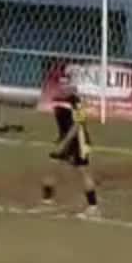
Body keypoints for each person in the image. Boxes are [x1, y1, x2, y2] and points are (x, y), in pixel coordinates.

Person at [42, 79, 100, 218]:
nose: (62, 88)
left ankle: (93, 206)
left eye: (65, 86)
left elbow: (75, 127)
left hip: (77, 142)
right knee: (53, 166)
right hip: (65, 139)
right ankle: (47, 199)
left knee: (83, 172)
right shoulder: (60, 101)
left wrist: (64, 143)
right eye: (61, 85)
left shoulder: (75, 105)